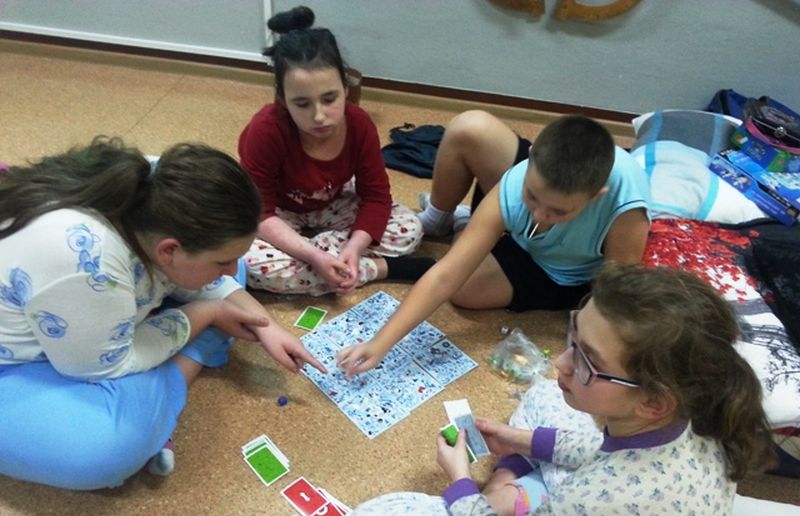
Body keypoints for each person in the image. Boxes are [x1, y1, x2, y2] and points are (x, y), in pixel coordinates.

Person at [346, 264, 774, 516]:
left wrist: (460, 483)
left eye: (588, 361)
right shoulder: (703, 416)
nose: (561, 362)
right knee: (549, 394)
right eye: (574, 335)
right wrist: (521, 442)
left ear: (654, 402)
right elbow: (606, 451)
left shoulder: (595, 498)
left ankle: (506, 495)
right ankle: (510, 486)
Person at [0, 137, 325, 491]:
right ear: (168, 251)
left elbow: (219, 277)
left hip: (85, 311)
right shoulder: (86, 264)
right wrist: (208, 314)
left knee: (230, 277)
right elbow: (101, 366)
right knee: (107, 449)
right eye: (222, 262)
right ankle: (179, 374)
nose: (230, 269)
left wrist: (267, 325)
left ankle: (163, 388)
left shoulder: (156, 185)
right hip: (26, 363)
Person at [336, 111, 651, 377]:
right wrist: (379, 343)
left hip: (567, 275)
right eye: (532, 196)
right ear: (530, 159)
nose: (539, 215)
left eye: (558, 212)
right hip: (526, 240)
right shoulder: (515, 181)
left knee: (466, 290)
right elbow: (445, 275)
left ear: (597, 196)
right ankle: (462, 222)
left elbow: (613, 292)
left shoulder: (626, 207)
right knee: (471, 129)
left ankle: (469, 225)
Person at [238, 5, 430, 297]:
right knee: (246, 263)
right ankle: (377, 268)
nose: (319, 116)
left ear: (345, 88)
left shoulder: (359, 124)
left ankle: (337, 265)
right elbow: (259, 212)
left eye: (330, 99)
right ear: (283, 100)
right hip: (278, 212)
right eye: (302, 104)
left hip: (333, 200)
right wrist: (315, 255)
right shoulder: (266, 129)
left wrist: (354, 248)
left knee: (409, 228)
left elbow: (376, 196)